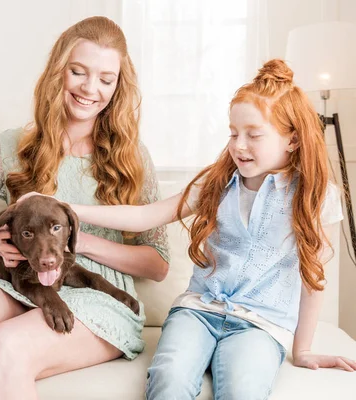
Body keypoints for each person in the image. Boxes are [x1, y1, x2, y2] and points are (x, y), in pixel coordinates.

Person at [57, 59, 356, 399]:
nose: (238, 145)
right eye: (233, 133)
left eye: (253, 135)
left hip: (260, 326)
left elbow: (312, 279)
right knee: (169, 379)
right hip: (197, 312)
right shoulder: (216, 184)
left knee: (243, 391)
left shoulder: (316, 196)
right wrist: (67, 210)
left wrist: (301, 350)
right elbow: (144, 217)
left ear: (293, 140)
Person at [0, 16, 170, 399]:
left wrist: (76, 242)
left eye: (106, 80)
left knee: (6, 345)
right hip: (23, 285)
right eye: (79, 72)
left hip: (99, 298)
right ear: (59, 71)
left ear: (118, 86)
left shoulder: (132, 157)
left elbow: (157, 263)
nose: (90, 88)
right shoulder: (12, 144)